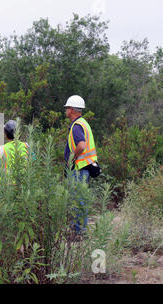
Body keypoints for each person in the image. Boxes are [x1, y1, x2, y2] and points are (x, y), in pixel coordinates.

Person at [64, 95, 98, 234]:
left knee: (77, 200)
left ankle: (78, 231)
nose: (65, 110)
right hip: (85, 167)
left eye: (67, 108)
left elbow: (82, 145)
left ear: (71, 110)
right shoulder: (84, 123)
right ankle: (80, 230)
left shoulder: (77, 126)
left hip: (79, 168)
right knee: (81, 198)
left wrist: (72, 158)